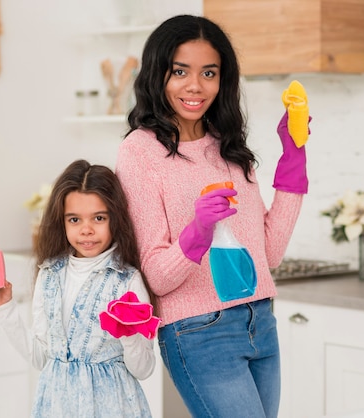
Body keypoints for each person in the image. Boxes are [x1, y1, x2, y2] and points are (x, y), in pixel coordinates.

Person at [115, 15, 310, 418]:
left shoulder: (228, 146)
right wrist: (198, 230)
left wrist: (293, 157)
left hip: (260, 319)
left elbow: (268, 255)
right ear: (157, 75)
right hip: (198, 330)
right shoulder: (139, 151)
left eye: (209, 72)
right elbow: (157, 276)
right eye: (180, 71)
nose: (195, 86)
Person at [0, 159, 158, 417]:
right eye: (74, 219)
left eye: (98, 218)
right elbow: (40, 357)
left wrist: (128, 334)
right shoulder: (49, 274)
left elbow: (143, 369)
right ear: (61, 222)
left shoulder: (126, 280)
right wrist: (3, 308)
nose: (86, 230)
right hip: (56, 406)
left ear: (115, 219)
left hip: (114, 407)